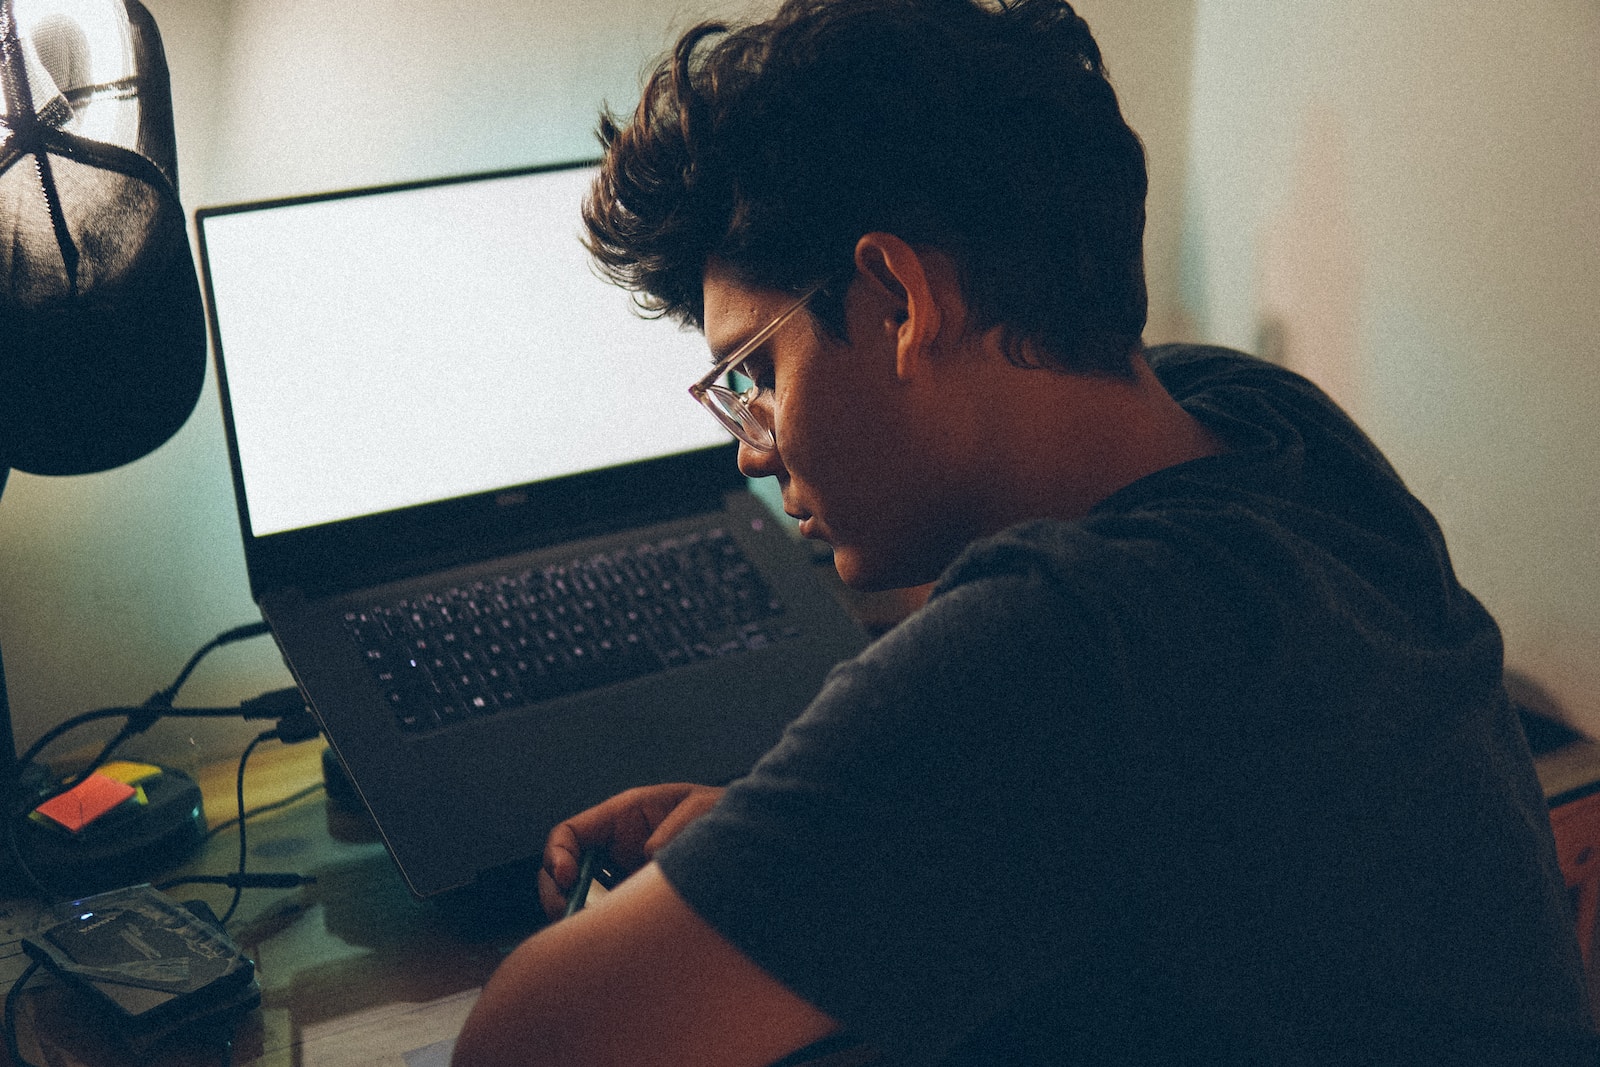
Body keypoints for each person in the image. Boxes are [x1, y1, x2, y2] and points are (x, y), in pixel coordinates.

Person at [451, 1, 1598, 1064]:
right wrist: (807, 851)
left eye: (750, 372)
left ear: (899, 300)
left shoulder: (1066, 638)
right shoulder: (1264, 430)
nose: (751, 445)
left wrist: (832, 832)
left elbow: (520, 1043)